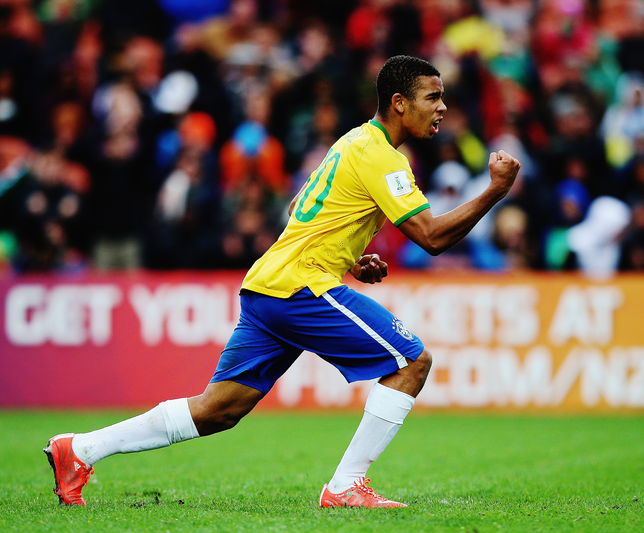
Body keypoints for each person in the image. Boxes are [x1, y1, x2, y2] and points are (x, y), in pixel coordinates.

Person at [43, 55, 520, 508]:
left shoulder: (352, 142)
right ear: (399, 102)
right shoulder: (384, 159)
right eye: (432, 97)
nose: (442, 107)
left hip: (268, 287)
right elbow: (432, 238)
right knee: (413, 362)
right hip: (300, 287)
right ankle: (346, 486)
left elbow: (299, 208)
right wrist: (495, 191)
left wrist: (350, 258)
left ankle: (79, 448)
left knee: (218, 410)